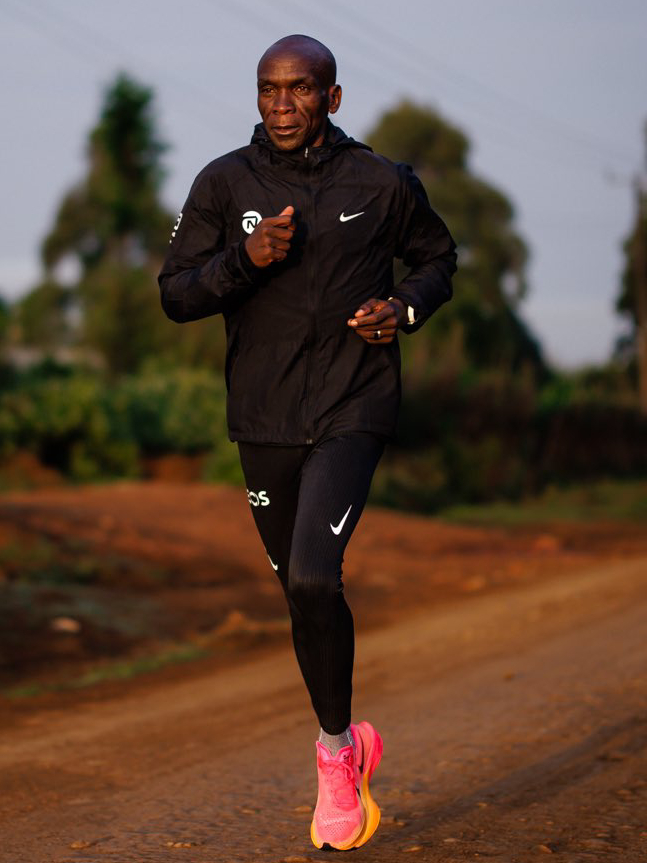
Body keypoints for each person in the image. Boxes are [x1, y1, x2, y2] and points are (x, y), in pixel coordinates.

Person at [159, 34, 456, 852]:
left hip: (353, 403)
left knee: (313, 574)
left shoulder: (381, 182)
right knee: (298, 591)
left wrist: (401, 309)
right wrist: (242, 260)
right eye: (269, 89)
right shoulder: (224, 183)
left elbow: (437, 258)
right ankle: (349, 736)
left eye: (299, 89)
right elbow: (175, 294)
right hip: (262, 417)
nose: (282, 105)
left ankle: (332, 759)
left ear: (332, 97)